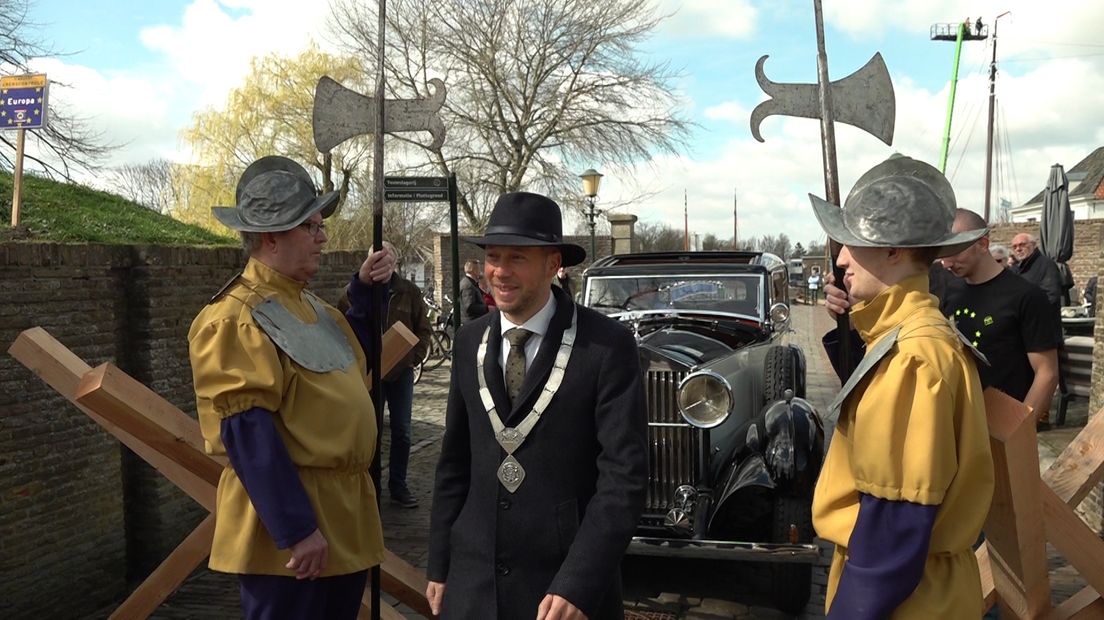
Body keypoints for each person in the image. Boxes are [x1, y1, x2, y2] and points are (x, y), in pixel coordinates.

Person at [188, 156, 394, 619]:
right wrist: (296, 528)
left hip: (343, 518)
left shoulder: (314, 308)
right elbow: (248, 431)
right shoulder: (235, 318)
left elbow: (344, 367)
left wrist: (364, 291)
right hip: (294, 531)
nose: (323, 237)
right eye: (312, 227)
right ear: (271, 237)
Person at [426, 192, 648, 619]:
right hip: (474, 588)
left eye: (517, 258)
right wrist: (440, 563)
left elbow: (624, 478)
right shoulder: (469, 340)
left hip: (561, 593)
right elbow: (454, 463)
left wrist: (580, 582)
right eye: (493, 257)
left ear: (553, 264)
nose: (500, 272)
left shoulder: (605, 347)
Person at [810, 155, 994, 618]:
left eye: (852, 243)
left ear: (893, 251)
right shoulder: (916, 335)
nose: (840, 259)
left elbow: (893, 532)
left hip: (907, 601)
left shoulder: (912, 360)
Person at [942, 211, 1062, 429]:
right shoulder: (950, 291)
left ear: (982, 244)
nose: (946, 263)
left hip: (1003, 425)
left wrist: (1018, 430)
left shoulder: (1026, 296)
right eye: (943, 253)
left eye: (955, 252)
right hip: (958, 423)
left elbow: (1047, 373)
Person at [338, 241, 432, 509]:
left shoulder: (409, 292)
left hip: (400, 373)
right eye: (377, 259)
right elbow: (343, 325)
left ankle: (398, 485)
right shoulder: (355, 293)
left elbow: (423, 329)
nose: (383, 265)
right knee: (371, 430)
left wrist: (411, 359)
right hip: (370, 374)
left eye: (388, 259)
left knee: (402, 430)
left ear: (395, 262)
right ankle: (371, 485)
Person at [1011, 232, 1065, 308]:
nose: (1018, 249)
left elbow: (1051, 295)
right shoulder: (1014, 268)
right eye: (1014, 247)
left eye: (1022, 245)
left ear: (1033, 245)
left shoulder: (1047, 265)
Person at [458, 258, 488, 324]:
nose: (480, 270)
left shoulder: (471, 283)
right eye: (478, 268)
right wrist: (487, 308)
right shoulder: (468, 285)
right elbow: (470, 307)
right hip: (472, 322)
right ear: (474, 270)